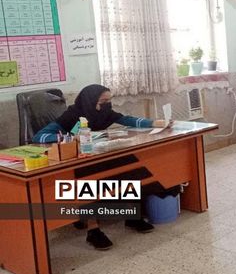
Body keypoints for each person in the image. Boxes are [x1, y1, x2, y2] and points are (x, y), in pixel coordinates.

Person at [33, 84, 171, 250]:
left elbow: (127, 120)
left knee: (130, 166)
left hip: (99, 154)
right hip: (78, 162)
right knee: (89, 180)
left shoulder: (105, 112)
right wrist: (70, 137)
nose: (107, 105)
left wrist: (155, 122)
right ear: (90, 101)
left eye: (109, 100)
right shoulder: (72, 115)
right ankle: (93, 230)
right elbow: (39, 136)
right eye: (103, 101)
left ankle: (133, 216)